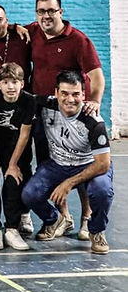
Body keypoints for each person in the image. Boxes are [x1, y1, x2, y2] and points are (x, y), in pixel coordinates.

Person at [27, 0, 105, 240]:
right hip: (44, 113)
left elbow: (96, 76)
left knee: (80, 164)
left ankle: (86, 218)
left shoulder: (78, 40)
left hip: (72, 114)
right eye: (41, 11)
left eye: (51, 11)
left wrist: (94, 101)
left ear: (61, 12)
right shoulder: (32, 32)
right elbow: (4, 25)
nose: (46, 16)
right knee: (48, 163)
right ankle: (64, 217)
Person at [22, 70, 114, 255]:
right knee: (29, 194)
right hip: (57, 164)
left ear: (83, 95)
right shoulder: (44, 105)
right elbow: (15, 93)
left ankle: (96, 231)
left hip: (89, 165)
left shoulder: (94, 121)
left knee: (102, 191)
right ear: (56, 93)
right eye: (64, 93)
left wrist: (68, 184)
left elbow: (103, 164)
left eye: (76, 94)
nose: (70, 99)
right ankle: (55, 220)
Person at [0, 63, 35, 251]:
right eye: (5, 82)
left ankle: (12, 228)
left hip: (16, 150)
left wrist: (13, 164)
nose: (10, 87)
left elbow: (24, 134)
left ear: (22, 84)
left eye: (15, 82)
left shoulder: (28, 101)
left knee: (13, 181)